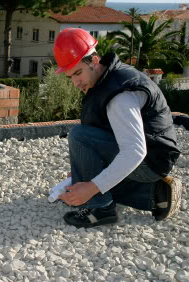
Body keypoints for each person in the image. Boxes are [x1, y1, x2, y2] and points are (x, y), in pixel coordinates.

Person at [53, 28, 182, 228]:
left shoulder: (120, 97)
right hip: (153, 153)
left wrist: (90, 187)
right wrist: (82, 171)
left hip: (150, 160)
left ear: (94, 61)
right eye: (70, 76)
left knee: (79, 136)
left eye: (78, 72)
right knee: (86, 175)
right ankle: (154, 195)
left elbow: (134, 151)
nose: (75, 82)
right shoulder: (108, 78)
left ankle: (101, 209)